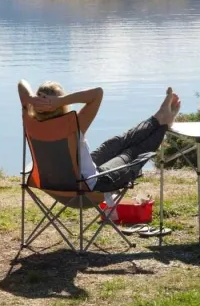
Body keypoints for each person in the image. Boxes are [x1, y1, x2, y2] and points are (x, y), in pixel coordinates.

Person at [17, 79, 181, 220]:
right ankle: (164, 123)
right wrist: (61, 100)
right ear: (62, 106)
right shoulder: (72, 125)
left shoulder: (31, 121)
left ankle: (159, 117)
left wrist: (31, 99)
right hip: (89, 189)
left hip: (54, 186)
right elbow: (97, 93)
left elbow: (21, 84)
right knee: (131, 153)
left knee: (116, 142)